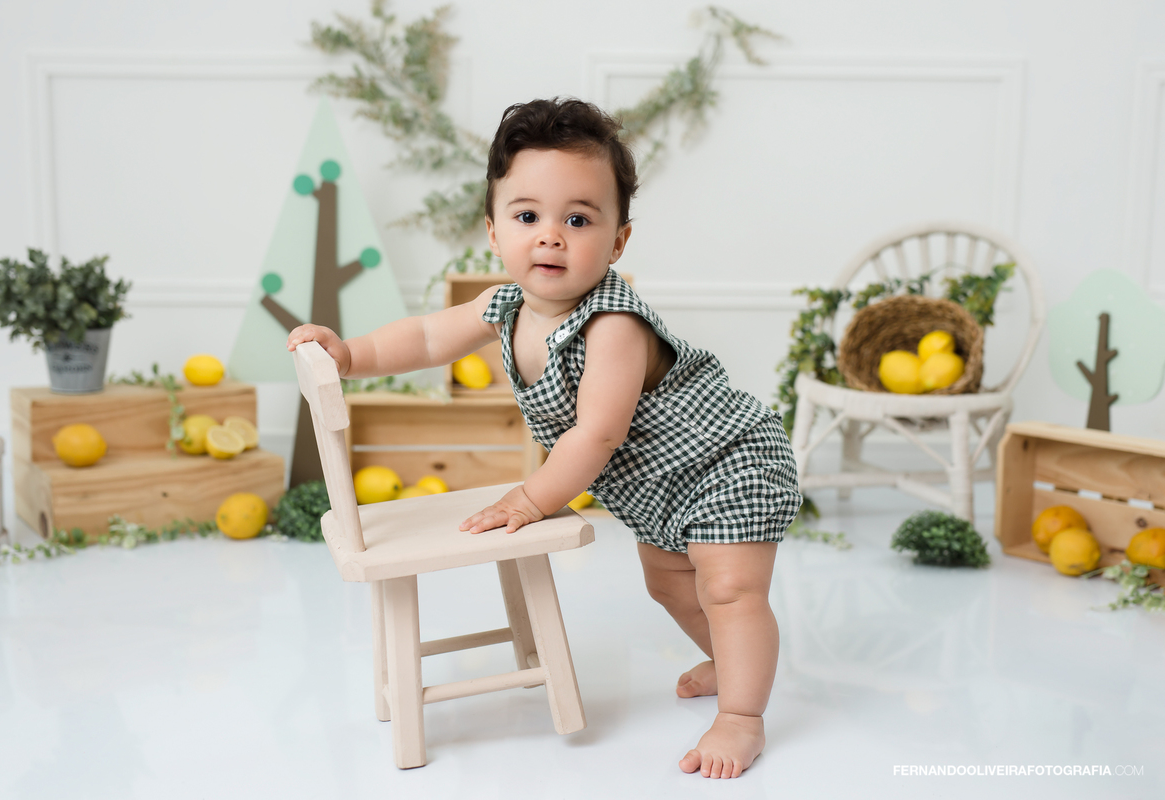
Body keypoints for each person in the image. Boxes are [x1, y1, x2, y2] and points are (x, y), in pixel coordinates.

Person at [286, 97, 802, 779]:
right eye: (528, 216)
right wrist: (350, 354)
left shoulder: (612, 324)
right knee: (673, 587)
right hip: (658, 486)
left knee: (729, 588)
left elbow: (598, 434)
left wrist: (530, 499)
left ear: (618, 240)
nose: (550, 236)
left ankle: (742, 716)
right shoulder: (503, 303)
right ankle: (732, 661)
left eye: (578, 219)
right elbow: (427, 336)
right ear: (495, 233)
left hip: (726, 462)